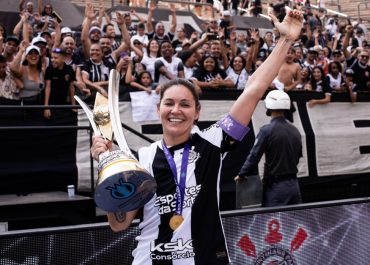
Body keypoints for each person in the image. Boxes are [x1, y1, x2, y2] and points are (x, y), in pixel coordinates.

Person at [91, 8, 304, 264]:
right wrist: (108, 168)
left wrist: (286, 41)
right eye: (169, 103)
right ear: (158, 110)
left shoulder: (212, 142)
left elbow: (253, 90)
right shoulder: (142, 160)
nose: (176, 110)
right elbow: (119, 224)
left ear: (197, 113)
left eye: (185, 104)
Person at [235, 90, 302, 207]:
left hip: (276, 188)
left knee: (274, 222)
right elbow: (298, 156)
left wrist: (242, 174)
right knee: (294, 222)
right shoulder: (295, 130)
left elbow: (254, 156)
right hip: (295, 186)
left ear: (269, 107)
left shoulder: (266, 130)